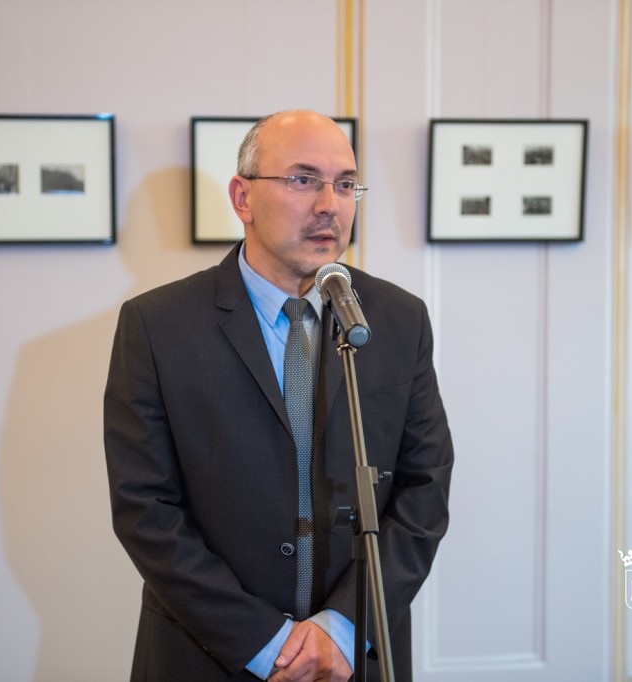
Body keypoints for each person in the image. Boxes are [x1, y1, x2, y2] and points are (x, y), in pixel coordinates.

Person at [104, 110, 453, 682]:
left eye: (346, 184)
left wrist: (344, 627)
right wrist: (265, 643)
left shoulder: (398, 319)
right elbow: (145, 508)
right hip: (208, 655)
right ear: (242, 198)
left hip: (354, 655)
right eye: (303, 179)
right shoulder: (157, 326)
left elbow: (425, 489)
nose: (329, 205)